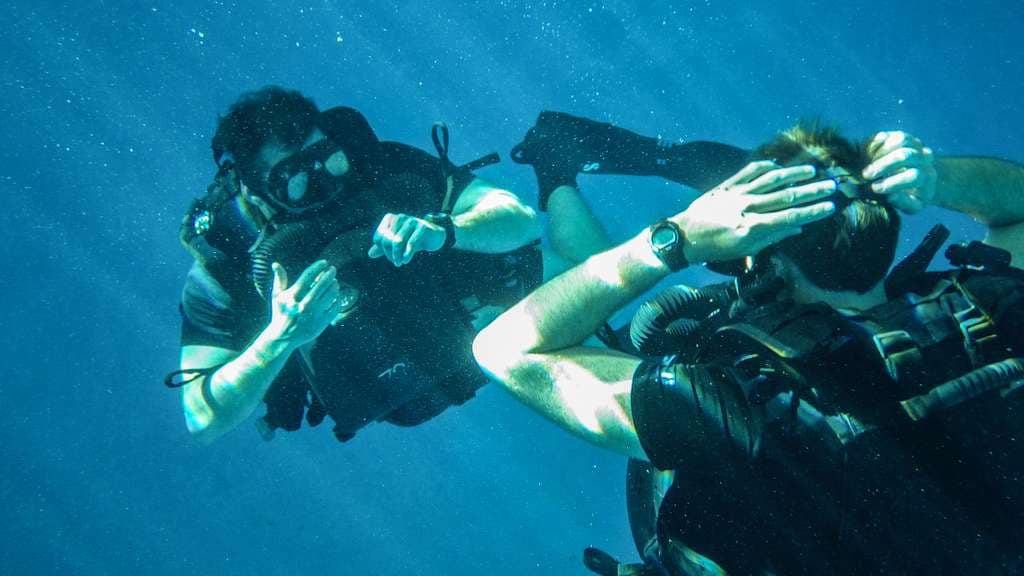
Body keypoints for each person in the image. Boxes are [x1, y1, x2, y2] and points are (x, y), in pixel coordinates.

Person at [474, 122, 1024, 574]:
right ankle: (555, 174)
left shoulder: (726, 401)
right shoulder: (990, 308)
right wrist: (942, 179)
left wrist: (676, 238)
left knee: (610, 338)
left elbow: (507, 349)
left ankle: (555, 175)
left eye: (840, 179)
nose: (829, 189)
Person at [168, 88, 744, 445]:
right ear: (255, 190)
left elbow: (513, 217)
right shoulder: (227, 269)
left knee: (597, 276)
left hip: (466, 303)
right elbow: (202, 416)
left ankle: (556, 160)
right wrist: (279, 338)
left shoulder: (380, 167)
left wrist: (445, 230)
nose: (324, 180)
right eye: (292, 175)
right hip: (397, 379)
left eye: (325, 156)